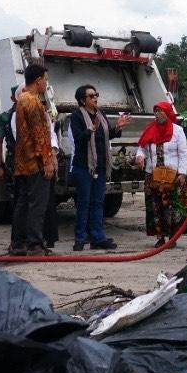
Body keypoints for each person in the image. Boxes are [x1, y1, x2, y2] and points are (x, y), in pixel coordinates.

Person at [68, 84, 120, 251]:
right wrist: (90, 130)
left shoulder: (100, 114)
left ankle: (97, 238)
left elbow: (106, 134)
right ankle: (80, 238)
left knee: (98, 202)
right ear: (83, 100)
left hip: (100, 166)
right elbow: (77, 139)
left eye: (96, 94)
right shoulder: (76, 116)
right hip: (84, 166)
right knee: (84, 203)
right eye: (91, 96)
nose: (95, 98)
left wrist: (118, 127)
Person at [10, 63, 55, 256]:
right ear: (38, 80)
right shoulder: (34, 102)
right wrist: (47, 161)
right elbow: (39, 134)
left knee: (22, 203)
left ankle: (17, 243)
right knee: (37, 204)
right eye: (46, 79)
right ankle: (35, 245)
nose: (46, 83)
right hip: (35, 163)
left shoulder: (21, 100)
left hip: (23, 162)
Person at [136, 100, 187, 248]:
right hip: (153, 176)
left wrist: (183, 173)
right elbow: (142, 148)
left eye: (161, 111)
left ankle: (173, 237)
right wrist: (140, 157)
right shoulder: (150, 130)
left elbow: (183, 153)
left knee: (172, 207)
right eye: (156, 111)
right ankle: (160, 237)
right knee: (156, 207)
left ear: (168, 113)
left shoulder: (177, 130)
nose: (157, 114)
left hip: (173, 177)